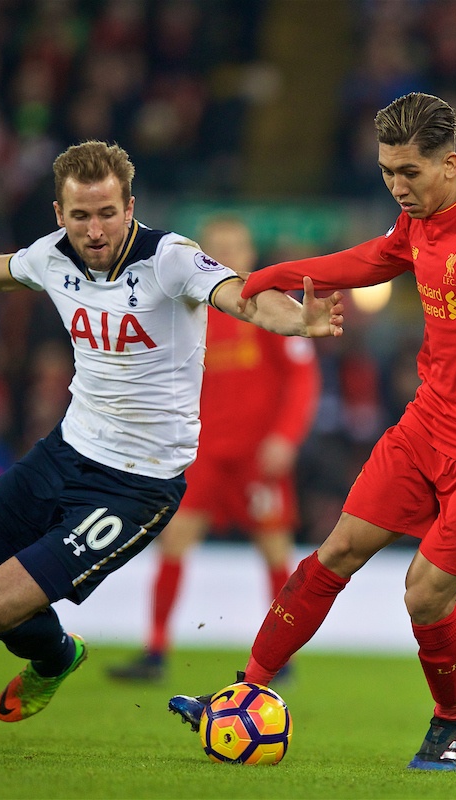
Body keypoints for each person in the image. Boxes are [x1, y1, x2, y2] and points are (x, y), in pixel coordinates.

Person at [0, 140, 344, 745]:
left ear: (130, 207)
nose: (93, 230)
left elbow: (240, 296)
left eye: (106, 213)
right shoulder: (52, 257)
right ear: (58, 213)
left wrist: (297, 319)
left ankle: (54, 656)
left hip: (137, 484)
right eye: (79, 216)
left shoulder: (172, 258)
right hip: (64, 453)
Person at [168, 92, 456, 770]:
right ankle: (244, 690)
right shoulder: (421, 217)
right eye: (386, 172)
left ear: (450, 164)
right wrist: (276, 276)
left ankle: (453, 721)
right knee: (336, 550)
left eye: (410, 173)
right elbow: (378, 257)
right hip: (430, 424)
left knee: (424, 592)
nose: (398, 187)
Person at [107, 216, 319, 682]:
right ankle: (157, 651)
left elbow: (302, 379)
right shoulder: (185, 310)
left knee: (274, 549)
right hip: (200, 453)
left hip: (256, 455)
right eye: (216, 249)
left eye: (233, 248)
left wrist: (284, 437)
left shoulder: (269, 306)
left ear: (248, 256)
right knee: (175, 540)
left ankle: (278, 656)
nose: (224, 257)